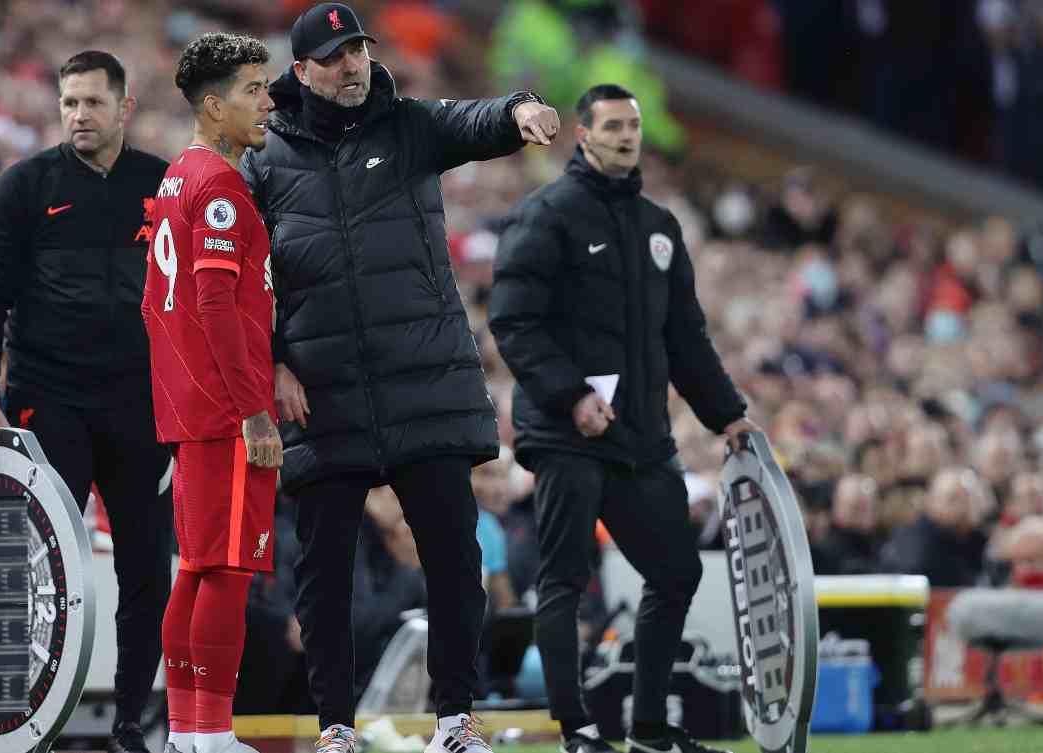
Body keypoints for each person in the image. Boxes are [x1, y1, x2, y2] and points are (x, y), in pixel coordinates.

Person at [239, 4, 561, 752]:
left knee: (455, 558)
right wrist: (276, 358)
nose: (352, 65)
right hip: (323, 391)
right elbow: (245, 283)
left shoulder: (409, 123)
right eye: (335, 55)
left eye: (357, 49)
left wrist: (523, 110)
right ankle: (336, 728)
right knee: (323, 576)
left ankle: (455, 718)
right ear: (301, 71)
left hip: (423, 381)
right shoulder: (262, 158)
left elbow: (478, 119)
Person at [488, 84, 758, 753]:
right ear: (583, 135)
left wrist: (728, 416)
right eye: (612, 126)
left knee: (677, 573)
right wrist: (572, 395)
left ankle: (649, 728)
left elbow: (687, 338)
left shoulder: (660, 227)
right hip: (565, 434)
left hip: (641, 437)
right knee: (565, 578)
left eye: (633, 126)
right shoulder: (545, 215)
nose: (626, 136)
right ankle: (576, 728)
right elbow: (513, 321)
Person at [0, 50, 172, 753]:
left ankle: (130, 724)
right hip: (47, 396)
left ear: (124, 107)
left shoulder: (162, 183)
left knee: (148, 566)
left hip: (141, 404)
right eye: (69, 103)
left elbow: (189, 299)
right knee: (35, 567)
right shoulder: (25, 185)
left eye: (91, 102)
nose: (78, 115)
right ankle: (28, 721)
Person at [142, 33, 281, 753]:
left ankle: (188, 734)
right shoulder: (220, 185)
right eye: (255, 90)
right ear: (215, 104)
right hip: (225, 408)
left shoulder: (177, 176)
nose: (268, 101)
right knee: (228, 566)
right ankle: (213, 732)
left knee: (196, 568)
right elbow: (216, 302)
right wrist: (254, 408)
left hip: (188, 402)